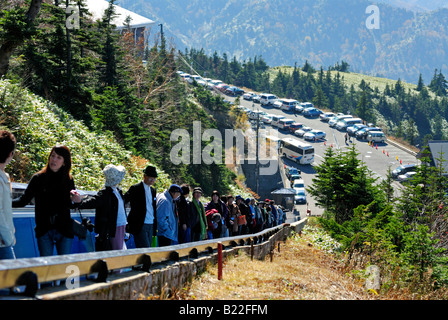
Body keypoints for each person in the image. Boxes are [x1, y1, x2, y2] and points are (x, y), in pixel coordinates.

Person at [12, 144, 80, 256]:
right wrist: (4, 202)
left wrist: (77, 201)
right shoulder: (38, 178)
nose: (54, 160)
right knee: (46, 266)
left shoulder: (68, 179)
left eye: (59, 158)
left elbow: (70, 205)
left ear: (64, 162)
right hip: (44, 230)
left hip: (64, 229)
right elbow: (23, 201)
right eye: (53, 156)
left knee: (63, 267)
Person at [77, 164, 127, 251]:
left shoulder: (117, 191)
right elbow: (93, 201)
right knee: (118, 251)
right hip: (114, 227)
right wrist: (79, 203)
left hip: (120, 225)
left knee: (120, 249)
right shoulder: (106, 193)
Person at [124, 165, 158, 249]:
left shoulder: (153, 190)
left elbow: (153, 207)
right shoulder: (135, 188)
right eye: (150, 177)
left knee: (148, 248)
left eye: (154, 178)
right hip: (139, 224)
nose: (152, 180)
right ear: (144, 176)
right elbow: (124, 200)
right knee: (144, 249)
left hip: (151, 223)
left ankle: (143, 262)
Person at [0, 130, 16, 260]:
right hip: (3, 242)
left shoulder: (4, 177)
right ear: (10, 154)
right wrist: (9, 238)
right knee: (14, 279)